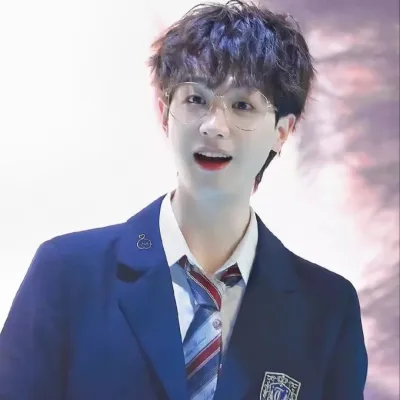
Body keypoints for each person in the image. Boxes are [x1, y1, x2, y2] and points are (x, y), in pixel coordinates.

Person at [0, 1, 368, 399]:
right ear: (164, 113)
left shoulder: (327, 309)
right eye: (196, 99)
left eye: (242, 105)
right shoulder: (67, 273)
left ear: (282, 131)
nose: (214, 126)